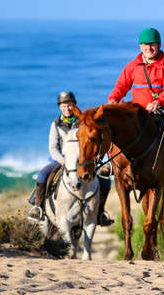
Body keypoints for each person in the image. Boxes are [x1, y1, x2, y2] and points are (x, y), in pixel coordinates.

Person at [108, 27, 164, 183]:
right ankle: (110, 163)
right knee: (113, 126)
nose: (149, 48)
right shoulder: (132, 66)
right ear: (140, 47)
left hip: (162, 109)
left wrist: (158, 102)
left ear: (159, 45)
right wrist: (113, 100)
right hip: (137, 111)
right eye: (145, 45)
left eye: (153, 45)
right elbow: (121, 86)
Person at [28, 91, 114, 226]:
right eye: (63, 106)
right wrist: (62, 160)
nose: (67, 108)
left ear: (74, 106)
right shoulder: (55, 124)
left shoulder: (82, 122)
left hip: (81, 162)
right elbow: (52, 147)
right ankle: (39, 208)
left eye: (69, 105)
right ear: (59, 107)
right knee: (42, 176)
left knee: (105, 182)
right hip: (59, 160)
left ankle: (100, 213)